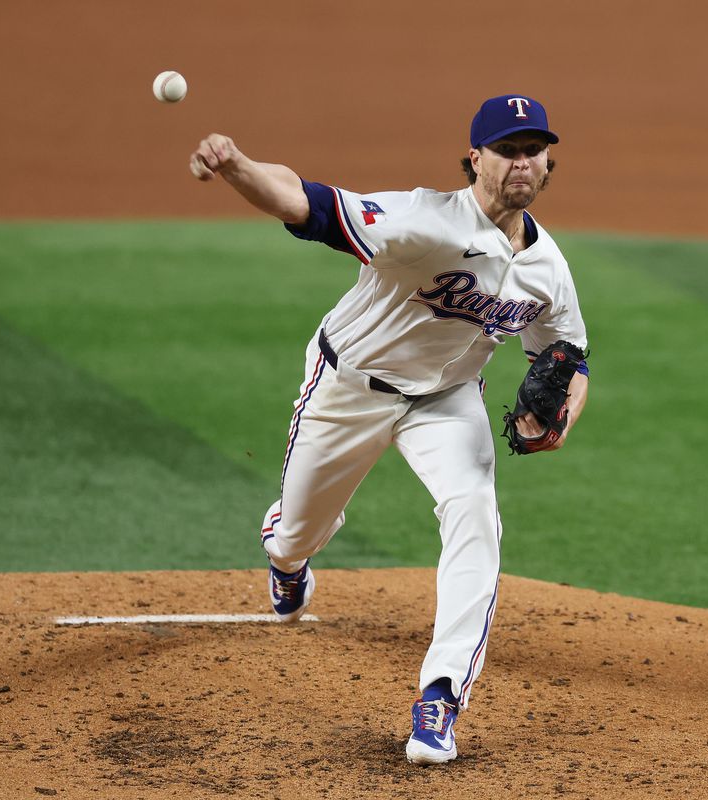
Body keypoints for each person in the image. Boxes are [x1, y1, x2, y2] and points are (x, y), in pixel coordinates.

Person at [189, 94, 589, 765]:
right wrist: (237, 167)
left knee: (475, 516)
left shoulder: (548, 268)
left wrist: (557, 424)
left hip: (448, 400)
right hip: (348, 389)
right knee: (296, 534)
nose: (523, 162)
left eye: (533, 150)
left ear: (549, 162)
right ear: (475, 160)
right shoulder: (421, 219)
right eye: (507, 149)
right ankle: (288, 557)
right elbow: (305, 201)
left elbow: (567, 357)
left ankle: (440, 698)